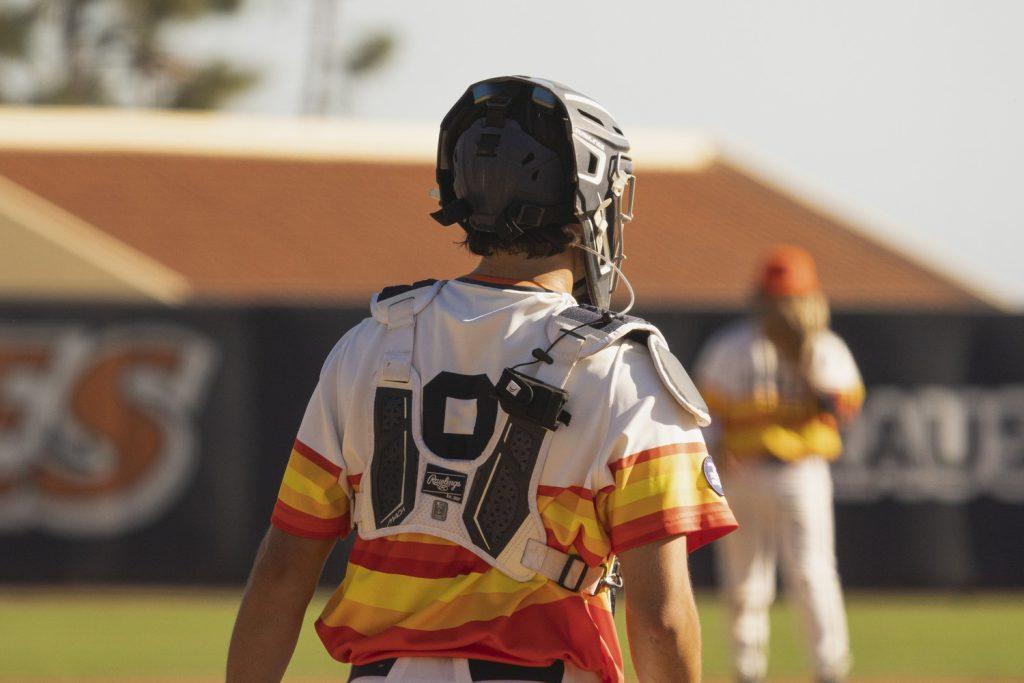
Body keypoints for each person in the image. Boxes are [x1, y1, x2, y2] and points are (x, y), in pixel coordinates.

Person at [227, 76, 737, 683]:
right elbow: (662, 619)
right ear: (586, 200)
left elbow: (285, 570)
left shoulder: (370, 343)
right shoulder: (622, 367)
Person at [694, 246, 865, 683]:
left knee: (813, 574)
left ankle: (830, 670)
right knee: (746, 583)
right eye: (776, 297)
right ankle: (748, 670)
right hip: (744, 472)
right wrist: (713, 455)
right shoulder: (732, 345)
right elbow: (704, 415)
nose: (782, 306)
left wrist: (804, 359)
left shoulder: (824, 348)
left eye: (789, 297)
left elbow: (843, 408)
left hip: (801, 471)